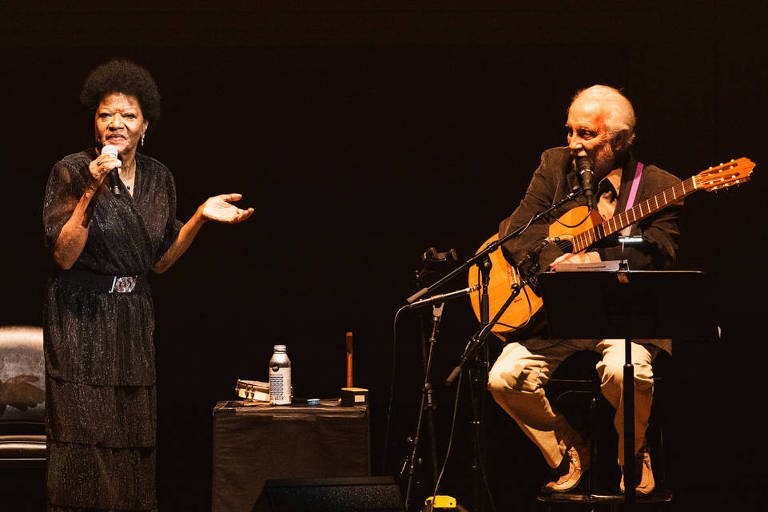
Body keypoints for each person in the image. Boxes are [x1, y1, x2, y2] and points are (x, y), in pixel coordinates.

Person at [42, 59, 254, 511]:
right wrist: (93, 188)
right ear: (94, 122)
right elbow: (63, 255)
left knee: (131, 434)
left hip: (133, 319)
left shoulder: (159, 179)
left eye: (128, 115)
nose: (116, 123)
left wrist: (198, 217)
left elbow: (158, 263)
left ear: (145, 125)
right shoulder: (71, 170)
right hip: (81, 317)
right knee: (85, 437)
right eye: (105, 115)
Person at [487, 85, 681, 496]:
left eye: (587, 134)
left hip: (621, 317)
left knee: (625, 372)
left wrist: (595, 260)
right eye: (570, 131)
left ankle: (633, 451)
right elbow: (516, 228)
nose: (573, 143)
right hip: (555, 314)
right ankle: (569, 448)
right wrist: (550, 263)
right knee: (504, 379)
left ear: (621, 139)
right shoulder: (554, 165)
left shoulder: (658, 186)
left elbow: (662, 250)